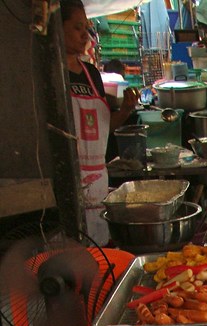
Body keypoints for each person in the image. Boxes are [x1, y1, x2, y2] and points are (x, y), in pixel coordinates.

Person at [61, 0, 139, 245]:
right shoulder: (53, 76)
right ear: (56, 30)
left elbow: (104, 129)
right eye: (77, 27)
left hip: (97, 178)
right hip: (68, 181)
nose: (85, 33)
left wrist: (126, 110)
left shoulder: (92, 74)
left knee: (100, 249)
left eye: (86, 26)